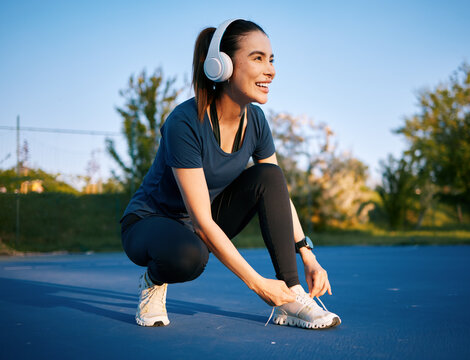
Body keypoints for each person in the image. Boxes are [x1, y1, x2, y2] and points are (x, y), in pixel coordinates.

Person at [120, 18, 341, 330]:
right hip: (150, 222)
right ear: (220, 66)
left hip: (200, 222)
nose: (270, 70)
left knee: (270, 175)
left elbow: (277, 192)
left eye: (272, 59)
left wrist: (307, 255)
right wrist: (258, 284)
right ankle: (154, 279)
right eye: (257, 58)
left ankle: (292, 297)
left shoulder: (257, 121)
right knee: (188, 257)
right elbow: (201, 222)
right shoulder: (184, 122)